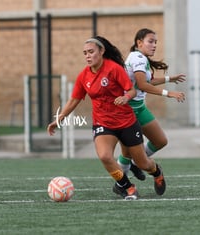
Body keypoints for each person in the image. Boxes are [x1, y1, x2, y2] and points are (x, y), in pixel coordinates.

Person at [47, 36, 166, 200]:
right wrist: (59, 119)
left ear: (101, 51)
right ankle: (128, 188)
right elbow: (73, 100)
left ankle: (157, 172)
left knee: (143, 163)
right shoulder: (84, 76)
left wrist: (126, 97)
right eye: (85, 53)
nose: (88, 56)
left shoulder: (114, 69)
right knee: (104, 156)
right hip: (103, 124)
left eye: (91, 52)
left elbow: (131, 90)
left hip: (126, 122)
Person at [117, 28, 186, 181]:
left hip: (139, 108)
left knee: (160, 141)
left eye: (155, 42)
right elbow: (142, 85)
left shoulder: (140, 57)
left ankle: (136, 163)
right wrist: (169, 93)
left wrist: (170, 79)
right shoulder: (138, 58)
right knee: (126, 153)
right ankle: (122, 184)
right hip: (127, 111)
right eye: (150, 41)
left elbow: (148, 80)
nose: (154, 45)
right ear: (139, 43)